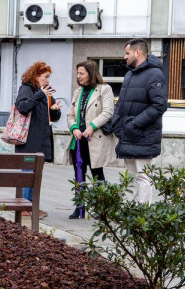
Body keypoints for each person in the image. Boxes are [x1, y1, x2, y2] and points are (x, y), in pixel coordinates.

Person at [105, 38, 168, 204]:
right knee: (133, 178)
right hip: (128, 135)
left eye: (127, 53)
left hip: (143, 136)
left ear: (137, 52)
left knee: (143, 176)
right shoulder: (129, 75)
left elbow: (159, 105)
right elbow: (122, 103)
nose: (125, 57)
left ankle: (143, 215)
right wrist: (116, 124)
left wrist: (134, 124)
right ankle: (133, 214)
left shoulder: (155, 74)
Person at [66, 60, 117, 219]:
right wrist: (74, 128)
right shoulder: (77, 91)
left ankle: (102, 209)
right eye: (78, 73)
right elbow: (70, 115)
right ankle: (79, 208)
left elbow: (108, 112)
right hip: (78, 140)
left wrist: (91, 127)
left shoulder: (104, 89)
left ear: (91, 73)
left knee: (97, 174)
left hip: (94, 139)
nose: (78, 76)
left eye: (82, 73)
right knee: (78, 174)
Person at [14, 61, 62, 219]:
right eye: (45, 77)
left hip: (41, 140)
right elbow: (22, 107)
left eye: (49, 77)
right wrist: (40, 94)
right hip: (29, 141)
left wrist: (55, 110)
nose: (47, 80)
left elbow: (53, 117)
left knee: (35, 174)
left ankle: (31, 206)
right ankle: (25, 207)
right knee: (28, 172)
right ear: (35, 76)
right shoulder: (26, 89)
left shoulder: (45, 92)